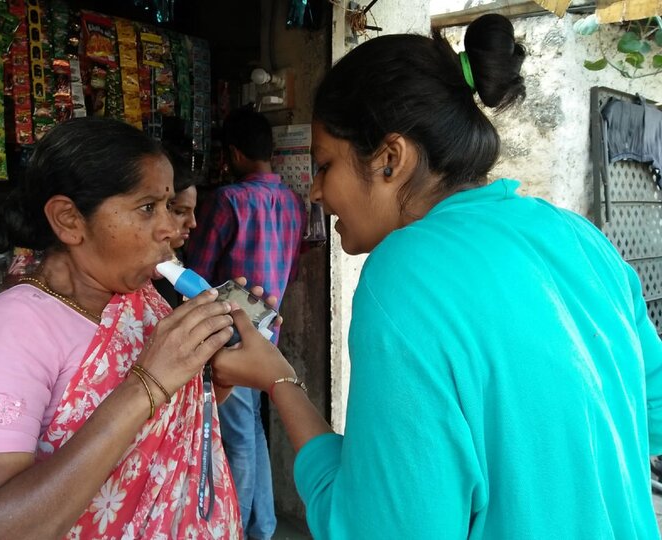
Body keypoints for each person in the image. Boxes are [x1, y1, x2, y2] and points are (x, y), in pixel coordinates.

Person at [211, 14, 662, 538]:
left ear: (390, 159)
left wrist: (280, 381)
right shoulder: (581, 239)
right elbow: (645, 420)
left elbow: (378, 528)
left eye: (325, 165)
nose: (314, 191)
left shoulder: (404, 274)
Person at [0, 117, 243, 539]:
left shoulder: (143, 301)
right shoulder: (12, 332)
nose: (171, 229)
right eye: (147, 208)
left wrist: (220, 369)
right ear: (68, 220)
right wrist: (147, 383)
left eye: (168, 206)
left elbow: (174, 434)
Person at [185, 107, 307, 540]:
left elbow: (196, 273)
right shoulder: (295, 202)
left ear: (234, 153)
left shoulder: (228, 200)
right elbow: (291, 270)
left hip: (228, 331)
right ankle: (264, 525)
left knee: (236, 434)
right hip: (266, 328)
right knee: (251, 428)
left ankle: (234, 527)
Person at [153, 141, 200, 308]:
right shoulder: (149, 275)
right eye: (180, 212)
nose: (193, 223)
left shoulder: (177, 258)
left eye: (193, 211)